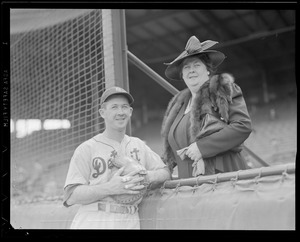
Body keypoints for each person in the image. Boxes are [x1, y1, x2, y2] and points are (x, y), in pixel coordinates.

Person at [63, 86, 171, 229]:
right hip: (96, 218)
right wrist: (109, 188)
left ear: (130, 112)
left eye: (124, 107)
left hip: (130, 219)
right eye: (114, 107)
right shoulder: (87, 148)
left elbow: (165, 172)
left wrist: (146, 176)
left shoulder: (139, 144)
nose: (120, 112)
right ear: (102, 113)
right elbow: (71, 196)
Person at [161, 36, 252, 179]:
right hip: (190, 187)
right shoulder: (177, 106)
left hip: (225, 179)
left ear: (208, 70)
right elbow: (172, 153)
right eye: (186, 67)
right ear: (182, 75)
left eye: (196, 65)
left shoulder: (223, 90)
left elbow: (243, 126)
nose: (191, 70)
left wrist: (202, 148)